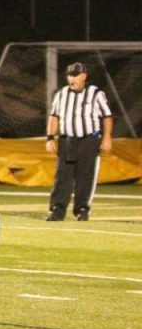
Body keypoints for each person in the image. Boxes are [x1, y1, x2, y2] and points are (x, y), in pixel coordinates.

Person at [46, 62, 113, 221]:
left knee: (86, 176)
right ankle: (57, 209)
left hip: (88, 140)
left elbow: (107, 116)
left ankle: (82, 209)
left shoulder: (96, 93)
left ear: (84, 76)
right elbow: (54, 116)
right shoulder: (62, 94)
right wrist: (50, 138)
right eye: (69, 75)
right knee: (63, 177)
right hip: (67, 139)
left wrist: (107, 138)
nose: (72, 78)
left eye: (75, 75)